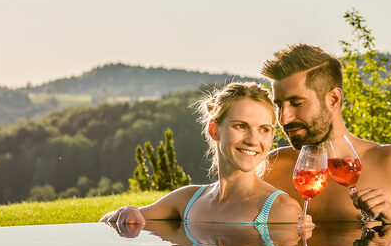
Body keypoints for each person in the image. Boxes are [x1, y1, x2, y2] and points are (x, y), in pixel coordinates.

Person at [259, 44, 391, 223]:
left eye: (297, 103)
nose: (284, 119)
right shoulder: (272, 167)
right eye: (279, 105)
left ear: (333, 99)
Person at [102, 82, 312, 229]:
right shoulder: (187, 200)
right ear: (214, 129)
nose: (252, 140)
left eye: (264, 129)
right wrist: (126, 211)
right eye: (241, 126)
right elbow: (112, 221)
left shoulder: (281, 211)